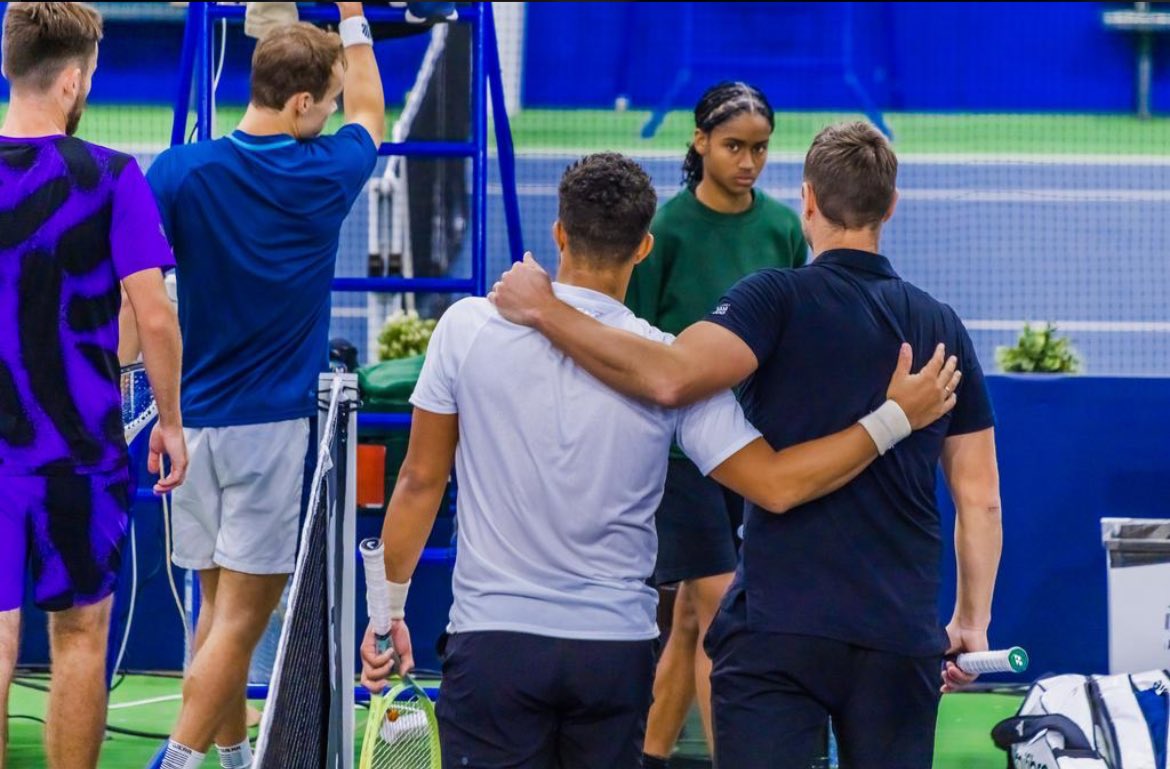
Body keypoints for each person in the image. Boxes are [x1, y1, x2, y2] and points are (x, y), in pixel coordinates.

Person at [360, 153, 961, 769]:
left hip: (493, 646)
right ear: (644, 247)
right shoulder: (670, 365)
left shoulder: (465, 329)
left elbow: (420, 479)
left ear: (560, 232)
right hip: (613, 655)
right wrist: (891, 420)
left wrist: (388, 616)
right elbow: (778, 486)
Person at [141, 4, 384, 768]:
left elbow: (138, 302)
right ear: (303, 103)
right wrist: (352, 15)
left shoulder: (176, 171)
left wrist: (158, 406)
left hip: (193, 429)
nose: (340, 110)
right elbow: (375, 109)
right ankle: (178, 760)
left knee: (215, 611)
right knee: (242, 622)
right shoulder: (328, 171)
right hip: (270, 434)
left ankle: (237, 757)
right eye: (330, 100)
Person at [0, 3, 186, 768]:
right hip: (79, 452)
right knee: (79, 634)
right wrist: (170, 421)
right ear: (74, 78)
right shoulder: (112, 177)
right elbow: (157, 318)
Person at [624, 81, 807, 765]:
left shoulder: (784, 228)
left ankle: (649, 755)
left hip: (757, 449)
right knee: (722, 617)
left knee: (698, 619)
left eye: (760, 149)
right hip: (682, 458)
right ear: (700, 142)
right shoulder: (664, 230)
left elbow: (794, 332)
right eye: (735, 146)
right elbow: (637, 340)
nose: (749, 162)